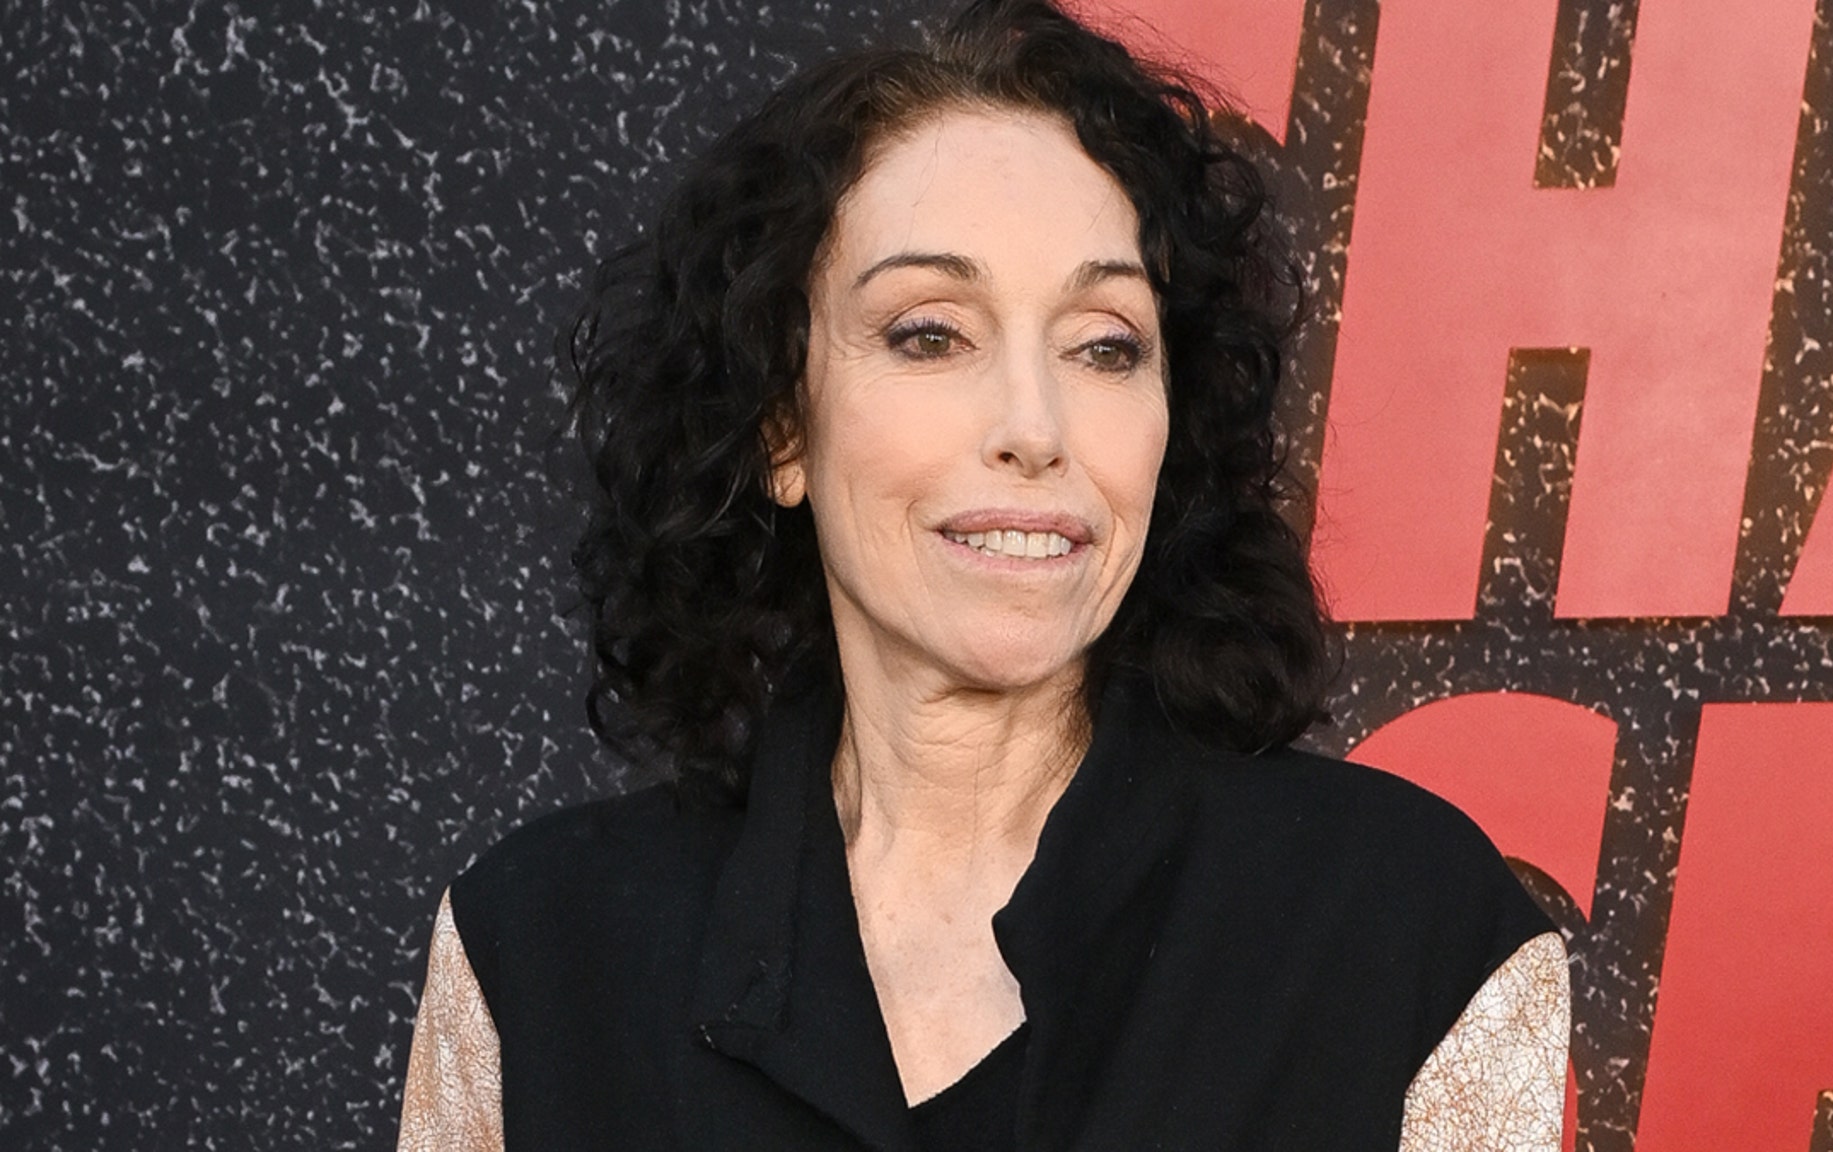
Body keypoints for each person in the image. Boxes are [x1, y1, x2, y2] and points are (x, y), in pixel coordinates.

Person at [396, 1, 1568, 1148]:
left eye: (1103, 345)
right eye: (930, 334)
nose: (1033, 426)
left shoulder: (1413, 933)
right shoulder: (535, 956)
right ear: (780, 429)